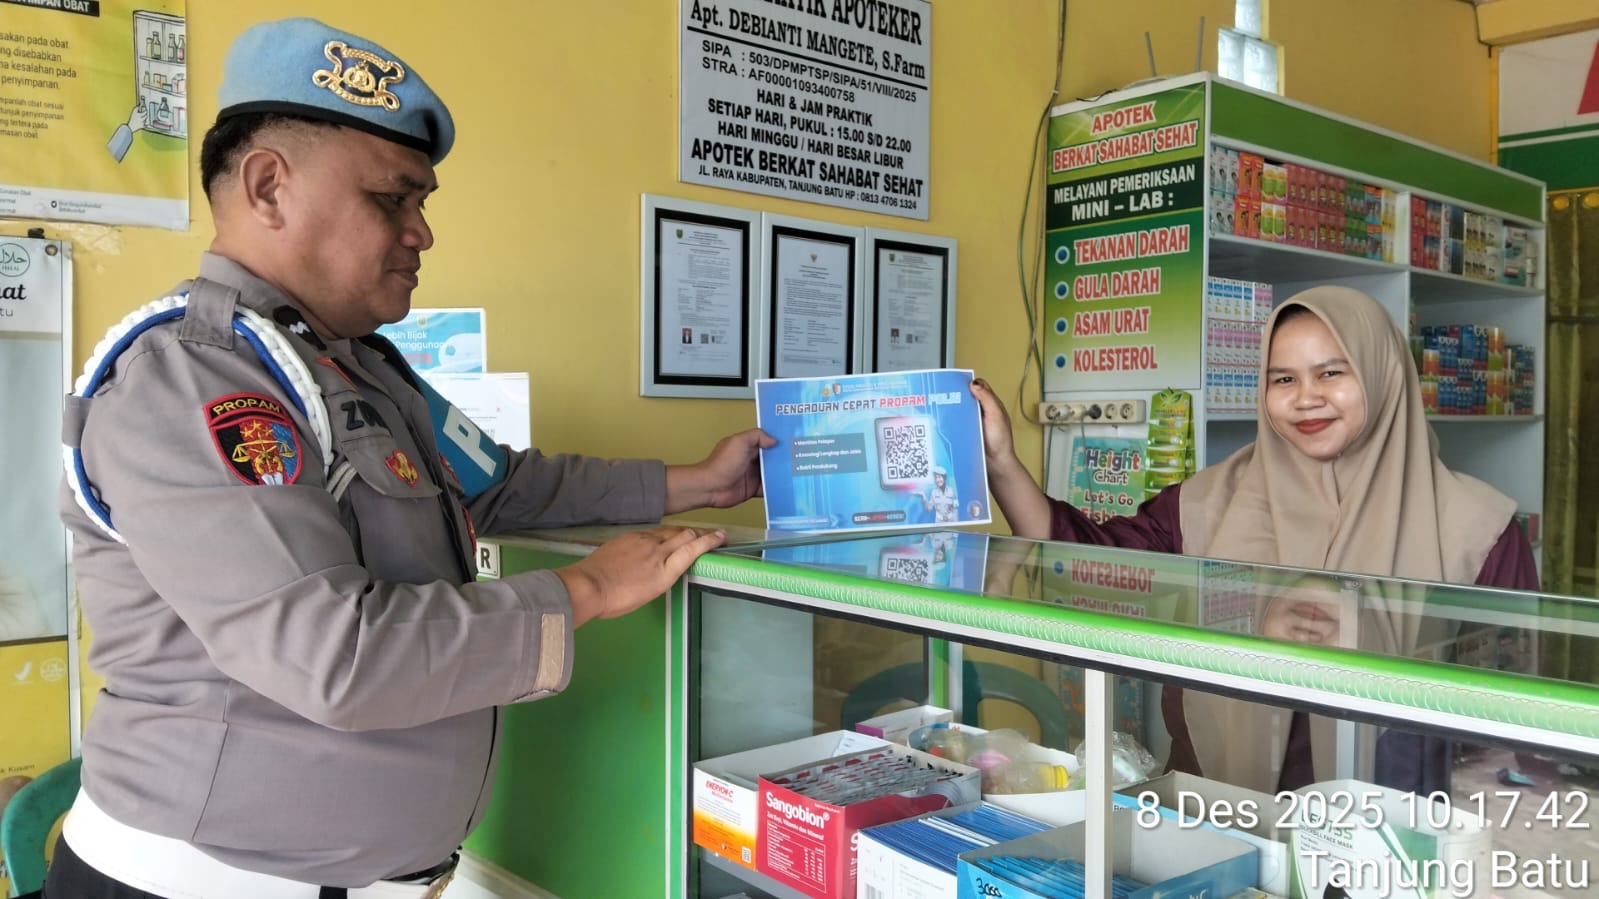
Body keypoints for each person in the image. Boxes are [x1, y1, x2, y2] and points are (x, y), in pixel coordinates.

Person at [51, 17, 773, 899]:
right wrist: (586, 588)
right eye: (391, 199)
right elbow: (335, 655)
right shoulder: (190, 379)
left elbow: (501, 484)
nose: (421, 232)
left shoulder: (355, 366)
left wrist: (697, 482)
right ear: (269, 187)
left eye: (421, 202)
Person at [973, 285, 1537, 794]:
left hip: (1389, 830)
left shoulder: (1475, 529)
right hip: (1220, 814)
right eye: (1283, 379)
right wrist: (1002, 464)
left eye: (1332, 373)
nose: (1306, 398)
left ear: (1382, 375)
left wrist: (1371, 642)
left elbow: (1515, 717)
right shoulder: (1205, 503)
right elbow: (1087, 564)